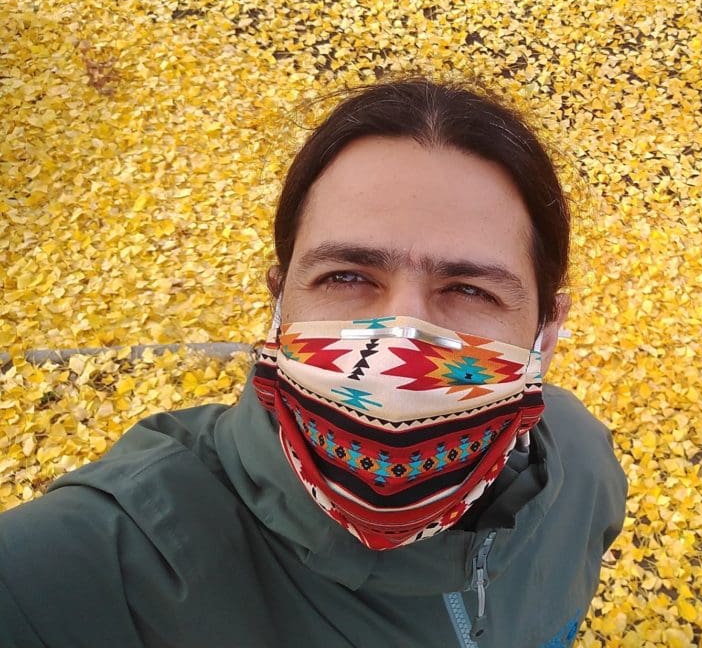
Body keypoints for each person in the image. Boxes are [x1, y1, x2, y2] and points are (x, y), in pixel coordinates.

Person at [0, 78, 628, 647]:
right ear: (278, 303)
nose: (399, 346)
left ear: (548, 329)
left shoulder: (580, 464)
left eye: (470, 290)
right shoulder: (109, 560)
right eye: (347, 275)